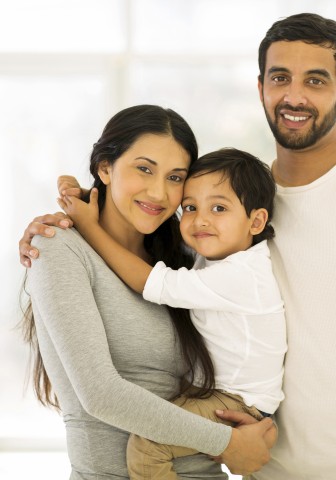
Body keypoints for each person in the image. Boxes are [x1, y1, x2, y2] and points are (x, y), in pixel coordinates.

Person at [19, 13, 336, 480]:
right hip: (266, 472)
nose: (294, 96)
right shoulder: (229, 214)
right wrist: (66, 219)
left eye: (315, 80)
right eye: (280, 78)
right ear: (260, 87)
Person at [20, 104, 275, 480]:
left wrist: (258, 424)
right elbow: (101, 395)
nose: (159, 192)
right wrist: (228, 443)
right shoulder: (58, 247)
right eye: (144, 168)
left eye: (175, 177)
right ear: (105, 168)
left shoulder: (187, 258)